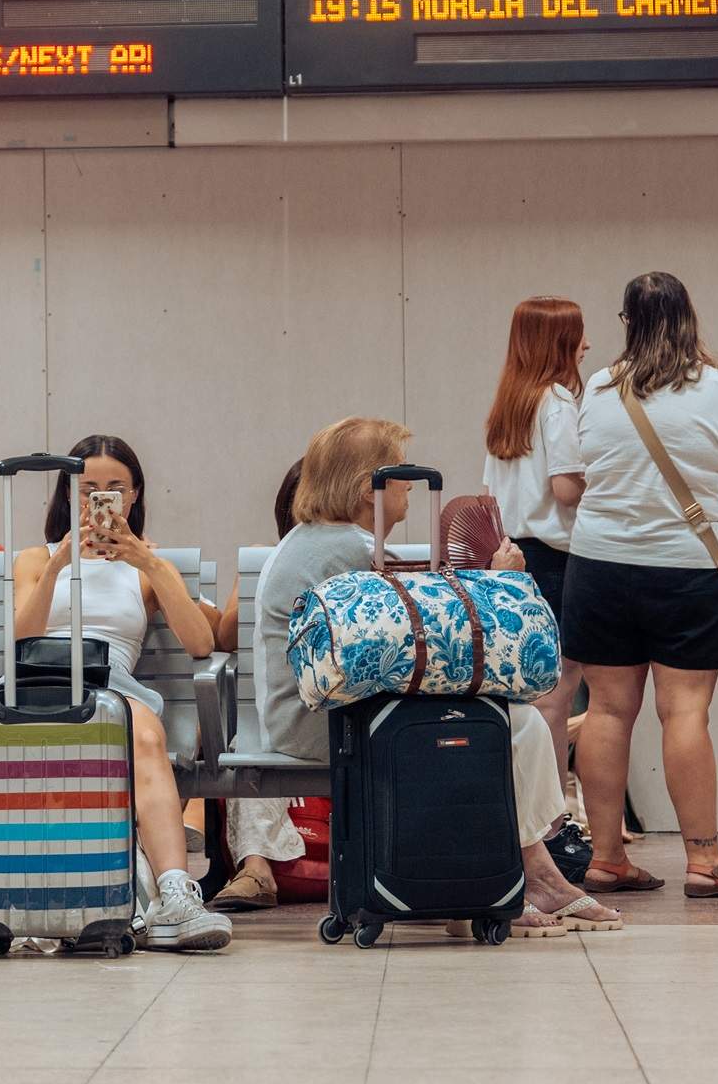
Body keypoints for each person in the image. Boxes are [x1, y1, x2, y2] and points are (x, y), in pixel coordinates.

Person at [253, 416, 617, 934]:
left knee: (513, 723)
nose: (408, 495)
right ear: (369, 491)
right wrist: (501, 586)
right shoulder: (352, 552)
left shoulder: (311, 542)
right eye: (403, 484)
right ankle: (525, 874)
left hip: (313, 715)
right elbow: (443, 647)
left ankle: (520, 874)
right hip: (328, 727)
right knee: (512, 725)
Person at [550, 273, 718, 900]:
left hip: (598, 567)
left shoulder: (598, 386)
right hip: (686, 569)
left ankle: (608, 858)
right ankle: (705, 862)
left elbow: (586, 473)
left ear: (626, 322)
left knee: (609, 712)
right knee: (685, 712)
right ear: (691, 317)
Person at [10, 436, 230, 951]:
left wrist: (151, 564)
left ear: (133, 497)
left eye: (114, 488)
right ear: (68, 495)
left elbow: (200, 641)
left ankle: (176, 892)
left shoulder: (148, 566)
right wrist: (60, 565)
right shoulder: (34, 558)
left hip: (111, 682)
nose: (99, 499)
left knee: (144, 734)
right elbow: (22, 637)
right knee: (123, 726)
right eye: (87, 489)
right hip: (42, 681)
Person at [479, 297, 598, 880]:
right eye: (578, 337)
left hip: (514, 557)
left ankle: (536, 826)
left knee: (534, 698)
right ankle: (556, 831)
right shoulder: (557, 402)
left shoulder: (510, 404)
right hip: (556, 557)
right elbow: (567, 488)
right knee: (559, 698)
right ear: (558, 343)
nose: (587, 347)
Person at [209, 460, 309, 912]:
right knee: (248, 738)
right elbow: (226, 637)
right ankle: (256, 869)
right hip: (280, 707)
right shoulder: (264, 559)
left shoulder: (365, 556)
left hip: (339, 702)